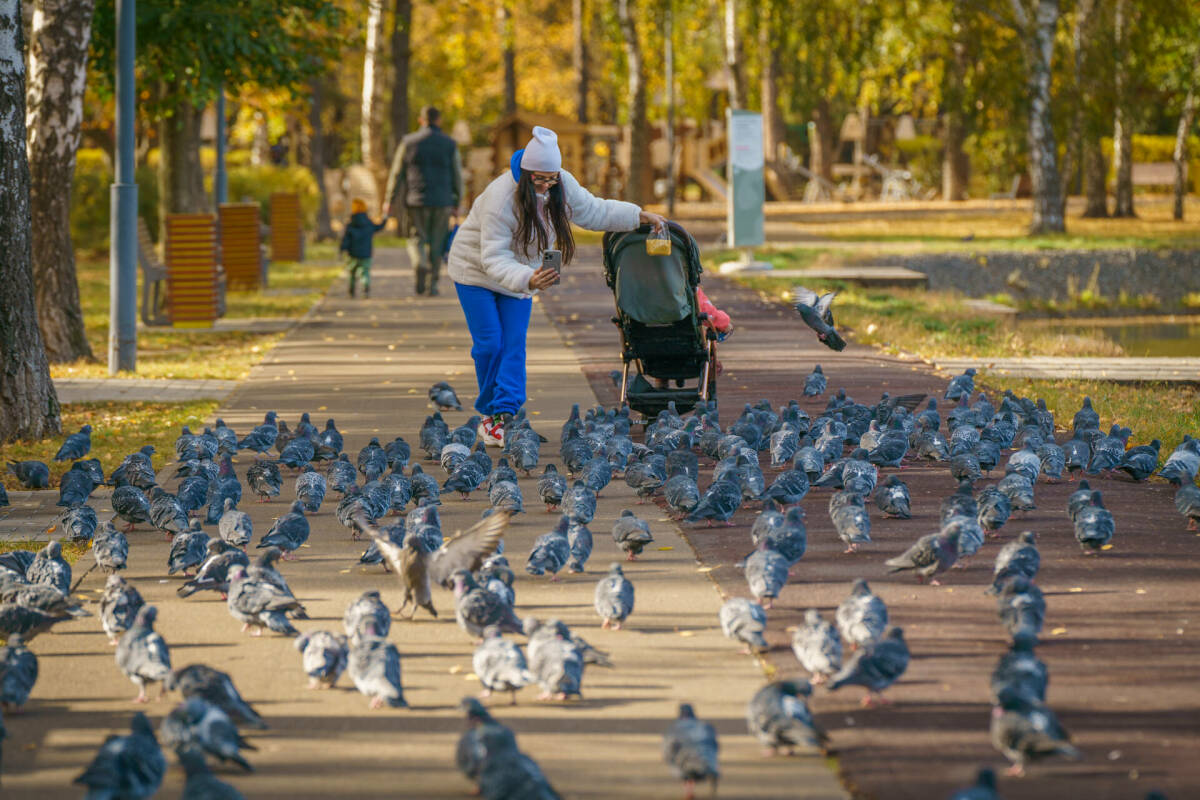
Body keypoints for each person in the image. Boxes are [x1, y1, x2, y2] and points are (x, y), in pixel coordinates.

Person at [447, 126, 667, 446]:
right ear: (526, 173)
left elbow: (594, 210)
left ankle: (506, 415)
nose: (546, 186)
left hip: (522, 274)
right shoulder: (501, 197)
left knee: (513, 344)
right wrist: (528, 278)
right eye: (540, 179)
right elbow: (493, 257)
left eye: (552, 179)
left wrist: (637, 216)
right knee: (491, 344)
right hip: (476, 272)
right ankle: (490, 415)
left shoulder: (560, 182)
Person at [385, 105, 463, 297]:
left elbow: (396, 173)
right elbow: (457, 175)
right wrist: (457, 201)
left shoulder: (408, 142)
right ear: (439, 121)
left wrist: (389, 200)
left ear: (421, 120)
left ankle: (419, 263)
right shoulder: (449, 144)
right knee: (437, 243)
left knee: (416, 238)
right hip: (442, 201)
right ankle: (432, 285)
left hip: (415, 200)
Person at [339, 198, 385, 298]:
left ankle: (351, 291)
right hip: (366, 254)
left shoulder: (350, 224)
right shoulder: (368, 223)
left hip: (353, 254)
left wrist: (342, 250)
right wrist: (385, 219)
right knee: (365, 272)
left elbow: (345, 240)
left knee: (352, 273)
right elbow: (379, 227)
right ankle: (365, 288)